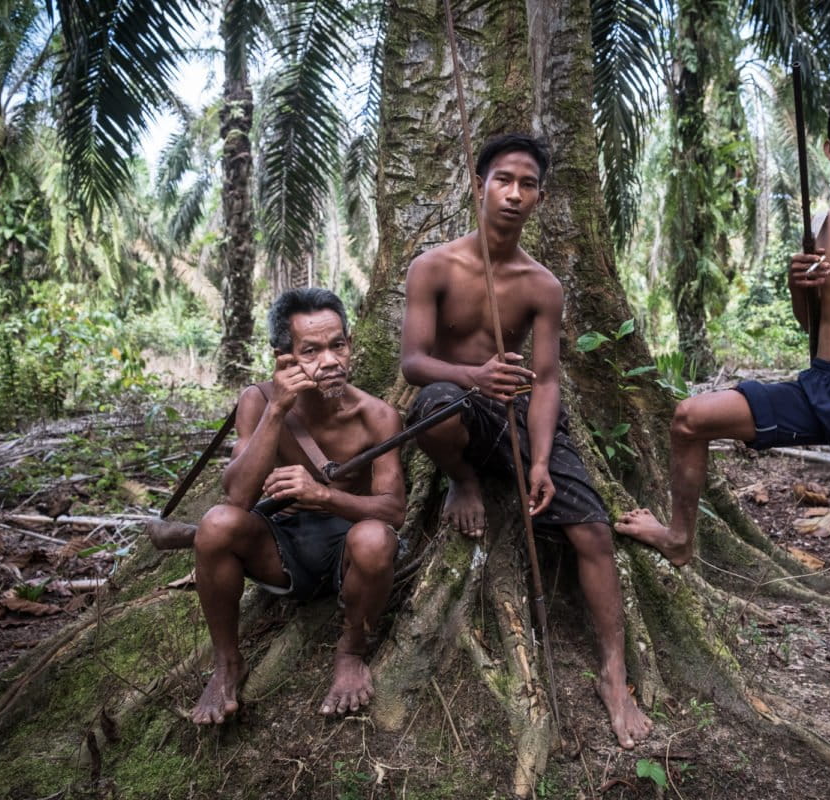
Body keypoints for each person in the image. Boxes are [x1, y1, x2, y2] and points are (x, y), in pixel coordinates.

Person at [616, 75, 830, 737]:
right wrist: (797, 281)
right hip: (818, 384)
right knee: (690, 417)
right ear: (828, 149)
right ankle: (680, 537)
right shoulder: (823, 223)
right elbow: (811, 321)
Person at [400, 133, 653, 749]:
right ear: (479, 185)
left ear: (540, 196)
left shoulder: (542, 286)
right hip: (457, 402)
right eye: (504, 180)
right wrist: (474, 376)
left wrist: (540, 460)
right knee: (433, 406)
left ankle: (614, 674)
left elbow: (546, 381)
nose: (514, 194)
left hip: (517, 417)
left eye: (528, 184)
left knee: (593, 531)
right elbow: (412, 363)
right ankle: (464, 481)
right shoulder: (434, 267)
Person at [190, 288, 406, 724]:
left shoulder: (377, 416)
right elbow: (238, 498)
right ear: (283, 358)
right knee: (215, 525)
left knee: (374, 539)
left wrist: (323, 495)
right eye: (311, 351)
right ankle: (227, 663)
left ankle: (351, 651)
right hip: (280, 549)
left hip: (347, 555)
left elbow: (394, 512)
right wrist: (276, 411)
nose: (329, 361)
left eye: (337, 345)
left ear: (350, 344)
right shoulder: (258, 400)